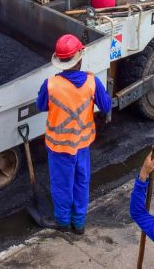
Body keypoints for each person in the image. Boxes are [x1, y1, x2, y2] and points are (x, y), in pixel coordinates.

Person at [36, 34, 112, 233]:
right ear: (80, 57)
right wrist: (94, 83)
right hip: (82, 145)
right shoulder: (91, 82)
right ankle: (78, 224)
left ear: (59, 61)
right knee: (81, 182)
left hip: (59, 147)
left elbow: (40, 106)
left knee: (62, 185)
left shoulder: (50, 84)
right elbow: (106, 106)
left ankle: (63, 222)